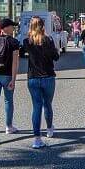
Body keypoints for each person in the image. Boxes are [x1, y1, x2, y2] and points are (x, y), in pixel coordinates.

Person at [23, 16, 60, 149]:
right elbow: (56, 57)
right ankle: (49, 128)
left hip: (33, 78)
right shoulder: (48, 40)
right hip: (48, 76)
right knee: (47, 104)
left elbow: (23, 53)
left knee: (36, 107)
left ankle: (37, 139)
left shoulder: (27, 41)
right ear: (43, 26)